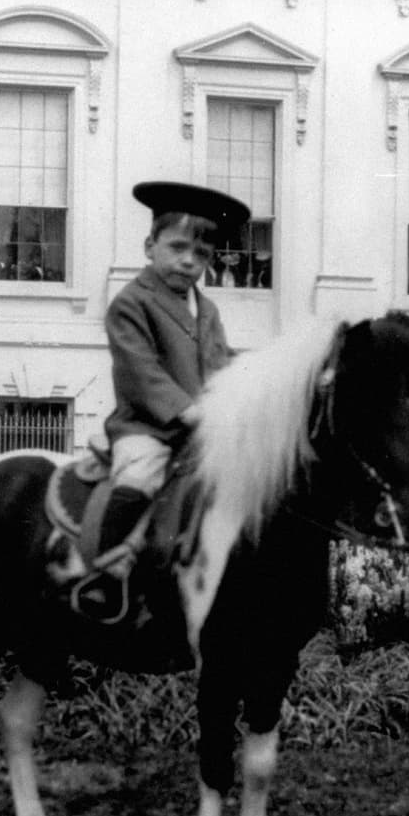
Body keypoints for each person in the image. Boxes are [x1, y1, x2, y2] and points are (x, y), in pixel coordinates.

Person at [94, 180, 250, 563]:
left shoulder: (207, 309)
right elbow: (141, 373)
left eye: (202, 253)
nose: (189, 261)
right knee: (139, 478)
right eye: (177, 247)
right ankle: (106, 566)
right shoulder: (131, 303)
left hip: (203, 432)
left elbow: (220, 363)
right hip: (149, 427)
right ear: (150, 247)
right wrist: (188, 410)